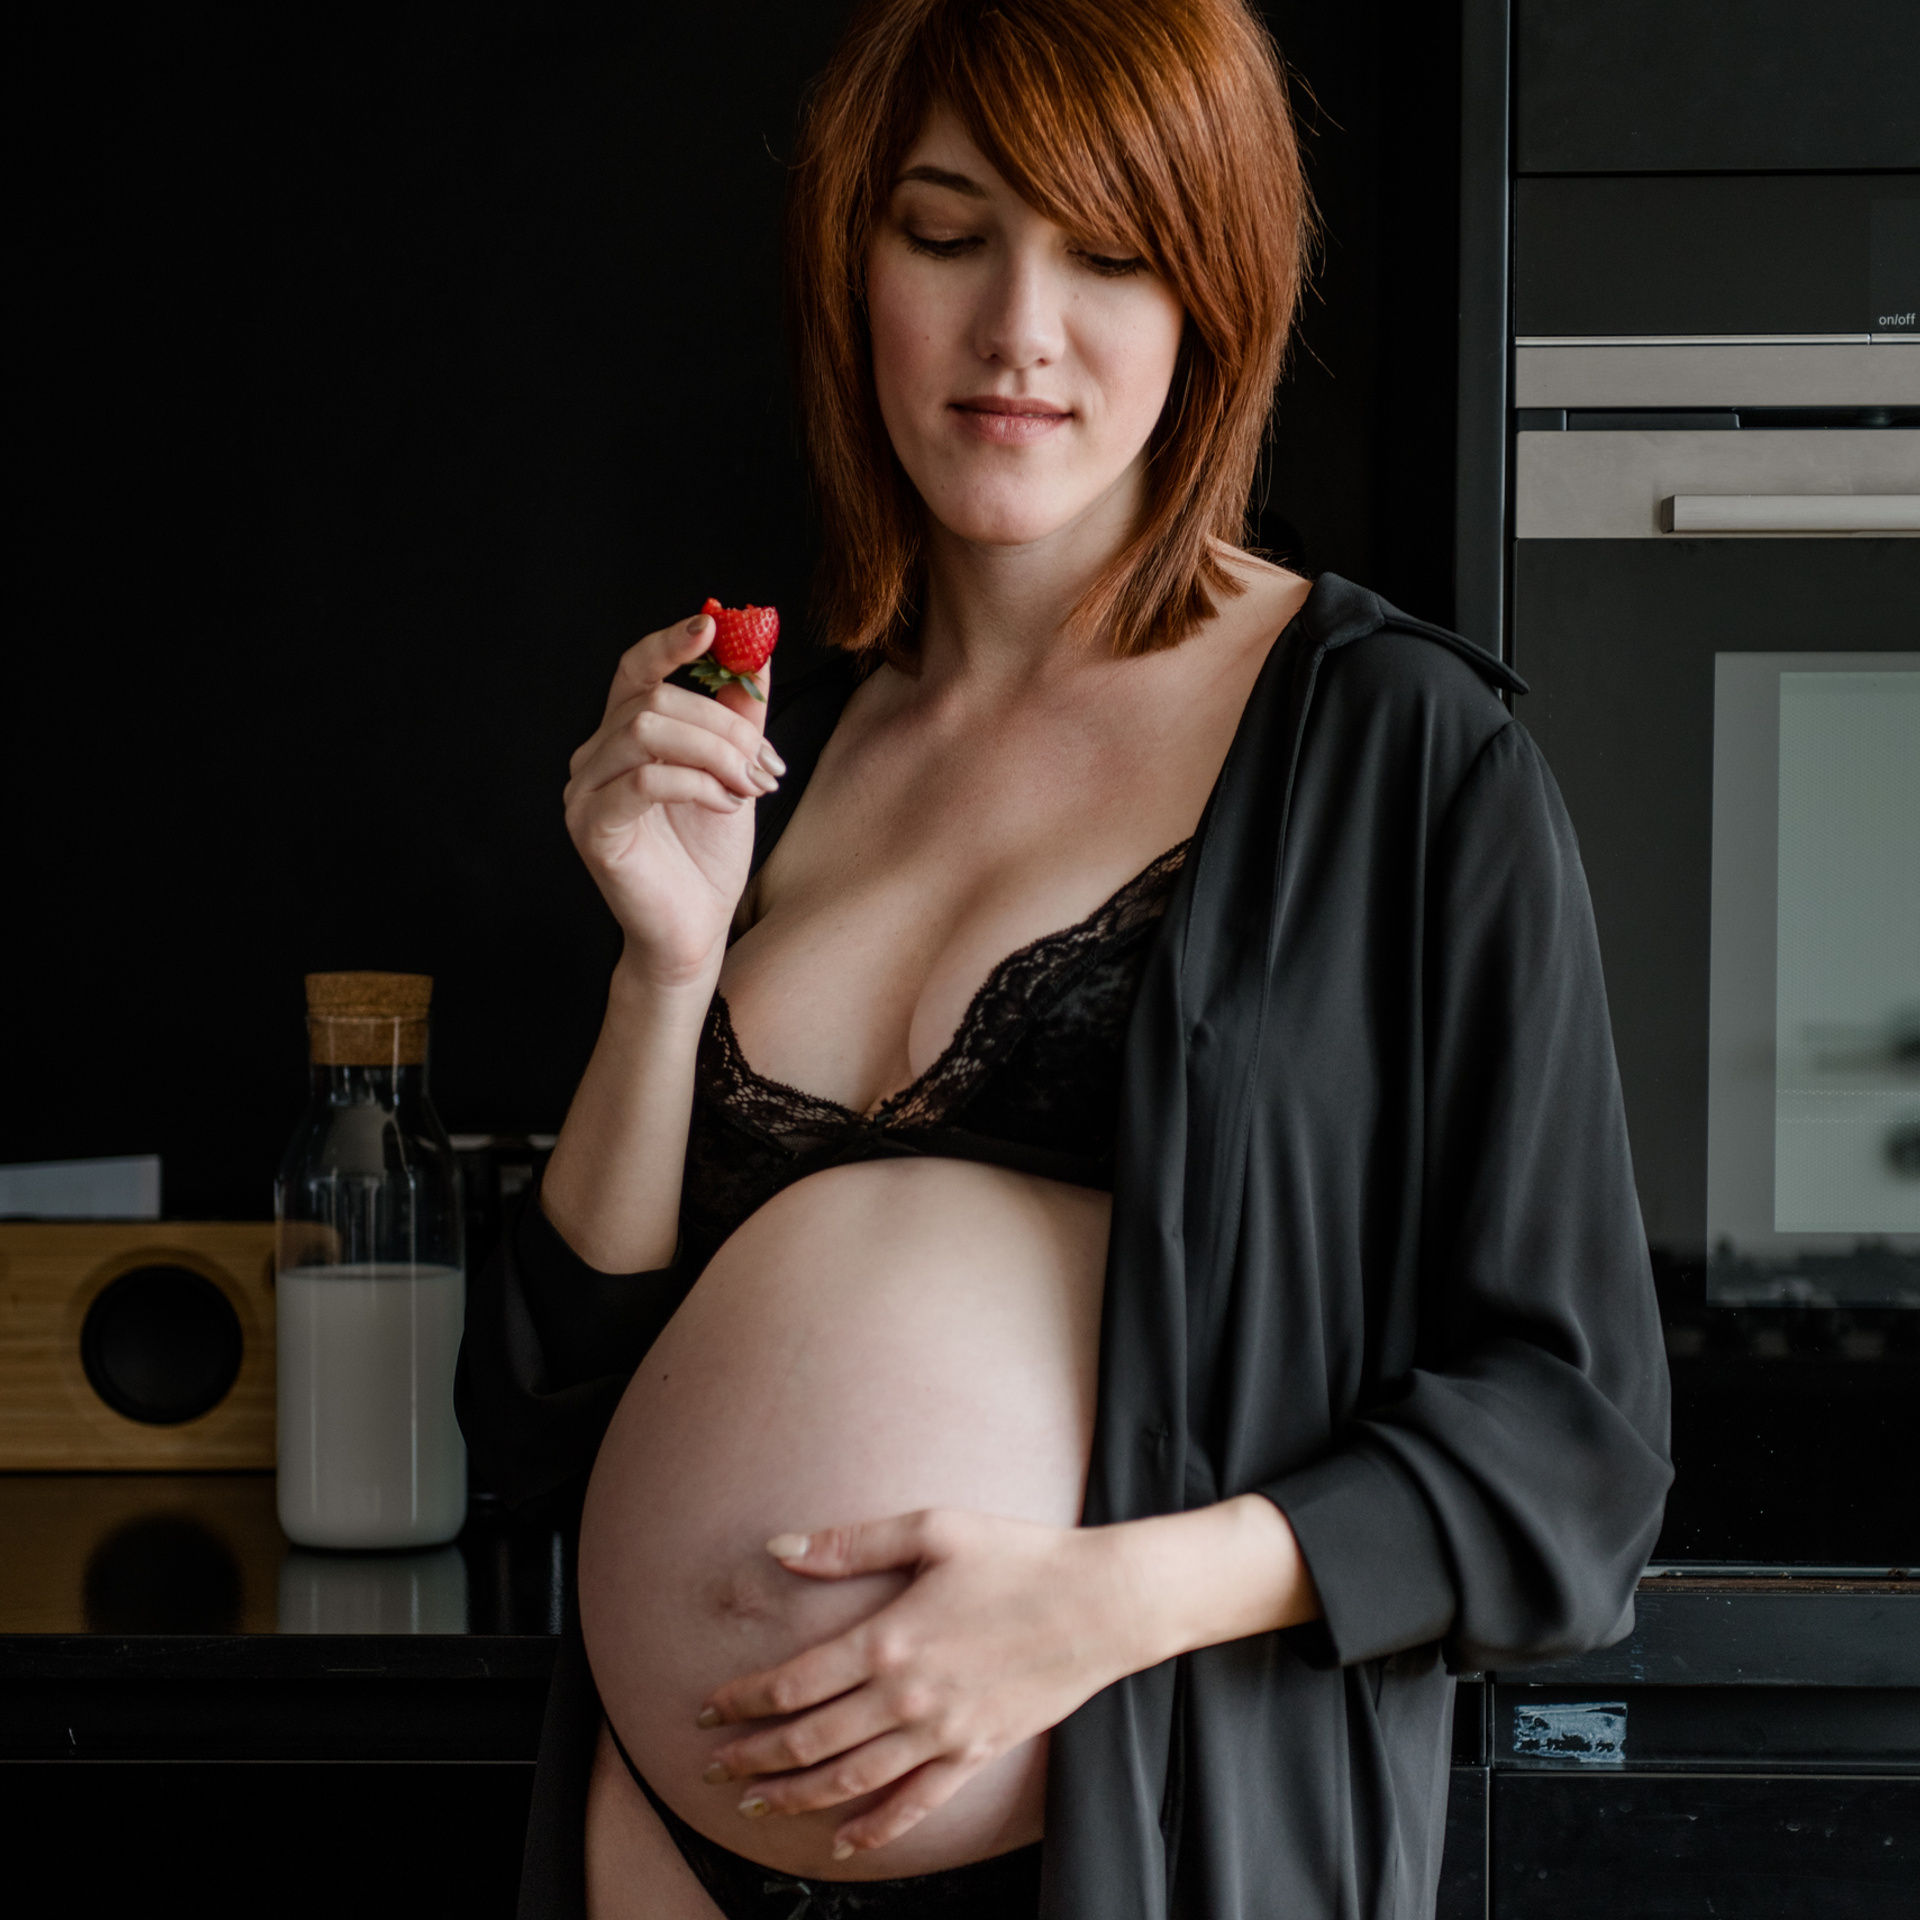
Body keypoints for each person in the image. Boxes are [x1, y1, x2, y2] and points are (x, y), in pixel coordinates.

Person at [456, 1, 1673, 1915]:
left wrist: (1095, 1607)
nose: (1020, 328)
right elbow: (537, 1422)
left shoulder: (1398, 753)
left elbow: (1575, 1457)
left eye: (1108, 252)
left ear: (1213, 300)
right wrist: (666, 970)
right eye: (948, 234)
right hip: (655, 1851)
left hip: (1135, 1841)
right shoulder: (795, 731)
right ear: (857, 262)